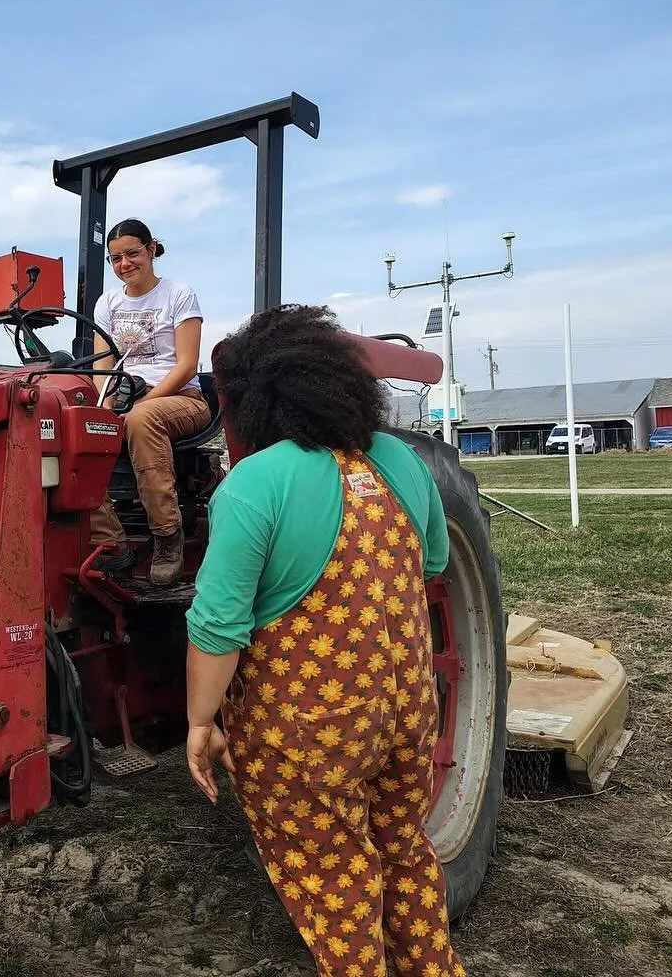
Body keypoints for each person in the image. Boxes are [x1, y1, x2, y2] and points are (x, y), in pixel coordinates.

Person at [182, 304, 465, 977]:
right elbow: (430, 564)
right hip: (407, 712)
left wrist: (199, 721)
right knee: (403, 848)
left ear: (251, 400)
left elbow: (218, 627)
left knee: (336, 888)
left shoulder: (254, 484)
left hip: (313, 734)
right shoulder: (398, 460)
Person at [88, 218, 210, 585]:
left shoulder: (178, 294)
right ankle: (111, 541)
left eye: (132, 253)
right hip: (128, 396)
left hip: (181, 398)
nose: (124, 264)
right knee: (75, 427)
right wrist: (105, 402)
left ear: (151, 249)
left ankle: (167, 537)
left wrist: (141, 402)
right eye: (115, 258)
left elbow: (187, 363)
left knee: (143, 420)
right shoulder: (107, 302)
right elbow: (102, 365)